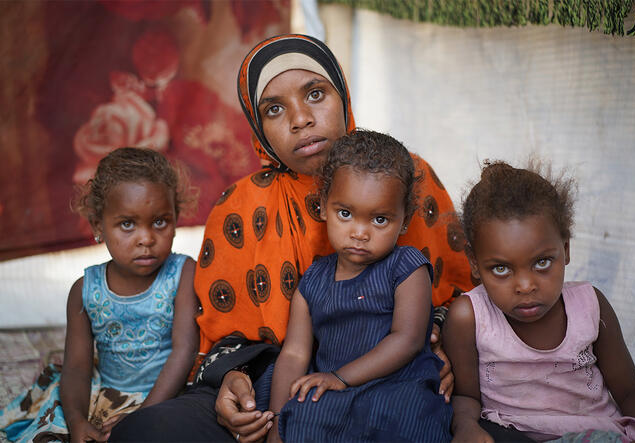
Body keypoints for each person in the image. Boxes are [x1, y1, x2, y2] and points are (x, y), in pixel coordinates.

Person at [111, 34, 472, 442]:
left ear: (343, 97)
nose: (300, 119)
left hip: (389, 381)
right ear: (258, 127)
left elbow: (461, 293)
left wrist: (440, 342)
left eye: (316, 93)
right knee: (145, 433)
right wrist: (234, 380)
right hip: (277, 385)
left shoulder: (409, 177)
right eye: (275, 109)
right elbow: (224, 336)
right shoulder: (240, 208)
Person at [0, 147, 200, 443]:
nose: (146, 238)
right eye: (127, 224)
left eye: (160, 221)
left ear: (175, 218)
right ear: (98, 226)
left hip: (166, 396)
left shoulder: (183, 274)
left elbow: (184, 352)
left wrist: (143, 415)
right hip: (103, 394)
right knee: (52, 429)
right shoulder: (85, 290)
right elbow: (78, 368)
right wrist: (78, 420)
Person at [266, 130, 452, 442]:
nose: (360, 233)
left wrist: (342, 377)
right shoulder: (313, 280)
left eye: (380, 220)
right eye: (346, 214)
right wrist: (277, 421)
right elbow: (294, 354)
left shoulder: (407, 268)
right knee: (302, 412)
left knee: (409, 417)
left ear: (404, 220)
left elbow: (407, 339)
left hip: (398, 387)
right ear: (324, 206)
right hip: (332, 392)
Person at [443, 160, 635, 442]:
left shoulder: (590, 306)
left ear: (566, 249)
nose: (525, 286)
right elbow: (465, 397)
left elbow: (630, 390)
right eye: (501, 268)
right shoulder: (469, 317)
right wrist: (466, 427)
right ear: (474, 263)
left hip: (592, 434)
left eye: (542, 262)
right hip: (511, 432)